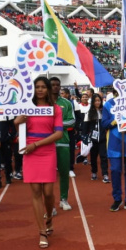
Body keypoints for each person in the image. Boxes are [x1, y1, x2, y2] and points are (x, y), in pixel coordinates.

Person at [13, 76, 63, 249]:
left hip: (46, 150)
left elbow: (58, 134)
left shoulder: (55, 109)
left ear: (48, 89)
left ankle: (49, 215)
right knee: (35, 191)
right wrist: (16, 123)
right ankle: (42, 231)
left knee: (48, 192)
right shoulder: (27, 108)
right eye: (37, 87)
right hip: (30, 151)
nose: (40, 90)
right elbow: (21, 128)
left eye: (43, 87)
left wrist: (37, 144)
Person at [102, 91, 126, 211]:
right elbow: (104, 123)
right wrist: (114, 121)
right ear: (115, 90)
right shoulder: (108, 104)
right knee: (115, 170)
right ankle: (117, 198)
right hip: (114, 143)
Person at [49, 77, 75, 211]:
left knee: (64, 172)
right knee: (48, 175)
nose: (55, 87)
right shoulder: (41, 103)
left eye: (57, 85)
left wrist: (57, 125)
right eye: (52, 85)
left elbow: (72, 121)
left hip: (63, 142)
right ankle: (50, 204)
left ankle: (63, 199)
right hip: (46, 144)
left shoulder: (67, 103)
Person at [84, 93, 108, 182]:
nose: (97, 102)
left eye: (99, 100)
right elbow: (85, 128)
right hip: (92, 140)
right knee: (93, 157)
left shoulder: (104, 111)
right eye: (96, 101)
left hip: (102, 138)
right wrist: (85, 139)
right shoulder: (89, 113)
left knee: (103, 157)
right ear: (93, 102)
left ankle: (105, 174)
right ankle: (94, 172)